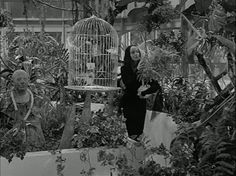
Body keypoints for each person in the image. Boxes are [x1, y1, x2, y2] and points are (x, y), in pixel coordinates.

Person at [121, 45, 163, 140]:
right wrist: (138, 70)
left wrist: (144, 92)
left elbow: (156, 86)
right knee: (131, 131)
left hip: (140, 103)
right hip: (129, 102)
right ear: (128, 55)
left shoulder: (146, 70)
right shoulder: (124, 69)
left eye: (137, 52)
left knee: (140, 130)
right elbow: (129, 84)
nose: (136, 54)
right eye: (133, 52)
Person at [0, 69, 45, 149]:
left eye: (25, 79)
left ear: (28, 81)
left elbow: (40, 120)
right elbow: (3, 121)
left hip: (34, 140)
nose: (22, 82)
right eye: (18, 79)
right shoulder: (6, 99)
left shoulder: (36, 99)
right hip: (12, 139)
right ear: (13, 82)